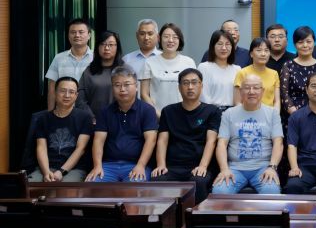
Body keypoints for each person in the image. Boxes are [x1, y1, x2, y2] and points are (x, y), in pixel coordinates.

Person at [151, 68, 220, 202]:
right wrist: (161, 165)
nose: (190, 87)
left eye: (194, 82)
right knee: (157, 179)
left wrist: (203, 166)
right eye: (186, 83)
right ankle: (166, 216)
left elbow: (211, 141)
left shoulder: (212, 111)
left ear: (201, 86)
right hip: (173, 166)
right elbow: (162, 141)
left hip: (198, 165)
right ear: (179, 87)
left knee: (199, 181)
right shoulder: (168, 111)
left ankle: (197, 215)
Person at [212, 74, 284, 194]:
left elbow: (278, 143)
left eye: (256, 87)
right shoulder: (228, 114)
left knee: (271, 191)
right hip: (235, 168)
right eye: (247, 88)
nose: (251, 91)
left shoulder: (272, 113)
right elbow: (221, 144)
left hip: (263, 168)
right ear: (240, 91)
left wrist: (272, 167)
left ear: (263, 91)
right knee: (220, 191)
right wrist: (224, 169)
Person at [85, 65, 158, 182]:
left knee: (135, 186)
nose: (122, 89)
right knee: (93, 183)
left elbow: (151, 140)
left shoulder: (147, 110)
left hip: (136, 165)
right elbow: (98, 140)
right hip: (108, 165)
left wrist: (141, 165)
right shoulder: (105, 111)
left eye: (127, 84)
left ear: (136, 86)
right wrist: (97, 166)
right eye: (117, 85)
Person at [30, 76, 93, 182]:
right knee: (29, 185)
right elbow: (41, 147)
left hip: (73, 169)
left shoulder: (84, 117)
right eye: (62, 91)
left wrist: (61, 171)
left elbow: (80, 149)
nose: (67, 95)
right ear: (55, 92)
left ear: (76, 95)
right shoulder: (43, 119)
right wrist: (46, 172)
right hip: (46, 167)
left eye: (71, 92)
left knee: (66, 189)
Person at [140, 22, 196, 116]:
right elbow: (144, 94)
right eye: (166, 36)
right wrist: (159, 115)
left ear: (180, 40)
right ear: (159, 38)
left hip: (184, 116)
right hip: (157, 116)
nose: (170, 40)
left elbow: (195, 91)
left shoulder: (189, 62)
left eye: (175, 37)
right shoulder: (149, 62)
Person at [281, 26, 316, 118]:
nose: (305, 45)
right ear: (295, 45)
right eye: (300, 42)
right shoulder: (288, 65)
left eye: (308, 41)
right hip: (294, 115)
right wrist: (296, 114)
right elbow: (284, 93)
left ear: (314, 43)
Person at [45, 18, 93, 111]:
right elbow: (51, 90)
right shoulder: (59, 58)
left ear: (89, 35)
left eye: (81, 32)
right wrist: (50, 114)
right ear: (68, 35)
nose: (77, 35)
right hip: (64, 112)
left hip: (90, 112)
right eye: (73, 32)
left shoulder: (96, 58)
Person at [77, 30, 124, 121]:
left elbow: (131, 98)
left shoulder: (124, 70)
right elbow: (80, 99)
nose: (106, 48)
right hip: (93, 121)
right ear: (97, 47)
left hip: (119, 121)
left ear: (117, 47)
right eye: (102, 44)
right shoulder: (89, 71)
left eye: (111, 44)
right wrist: (91, 117)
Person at [198, 30, 240, 111]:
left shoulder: (237, 69)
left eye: (227, 44)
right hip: (210, 111)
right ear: (213, 46)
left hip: (232, 112)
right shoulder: (204, 67)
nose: (224, 48)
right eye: (220, 44)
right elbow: (203, 96)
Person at [234, 37, 281, 110]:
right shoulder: (242, 73)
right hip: (247, 114)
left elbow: (277, 101)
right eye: (259, 50)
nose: (263, 54)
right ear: (251, 54)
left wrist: (274, 115)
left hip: (269, 115)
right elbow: (237, 102)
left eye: (266, 50)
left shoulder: (274, 74)